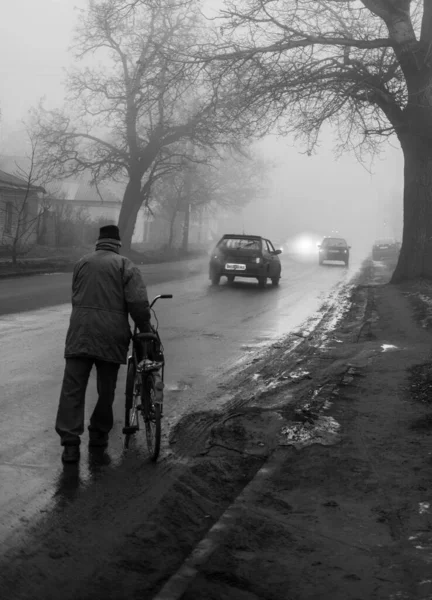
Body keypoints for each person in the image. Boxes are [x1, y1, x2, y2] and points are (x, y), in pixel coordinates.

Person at [55, 224, 151, 464]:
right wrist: (145, 327)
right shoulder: (125, 265)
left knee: (72, 389)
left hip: (80, 332)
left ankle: (70, 445)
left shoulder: (82, 263)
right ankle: (98, 434)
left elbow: (76, 296)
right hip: (111, 336)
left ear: (98, 242)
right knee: (106, 389)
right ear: (118, 244)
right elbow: (138, 303)